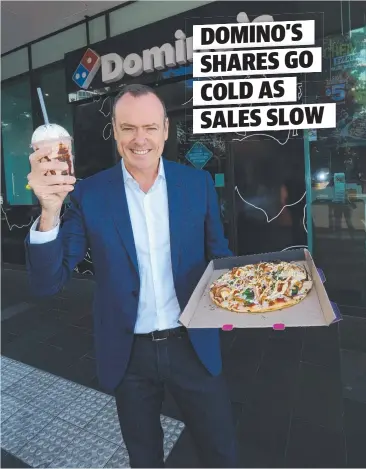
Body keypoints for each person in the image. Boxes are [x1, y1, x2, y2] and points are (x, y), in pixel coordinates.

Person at [25, 84, 238, 468]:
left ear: (166, 130)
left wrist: (255, 306)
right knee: (144, 458)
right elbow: (47, 282)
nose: (140, 139)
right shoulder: (88, 194)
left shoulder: (197, 184)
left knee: (221, 452)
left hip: (193, 345)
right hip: (129, 354)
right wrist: (49, 210)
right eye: (128, 128)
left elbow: (219, 257)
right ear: (115, 131)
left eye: (150, 127)